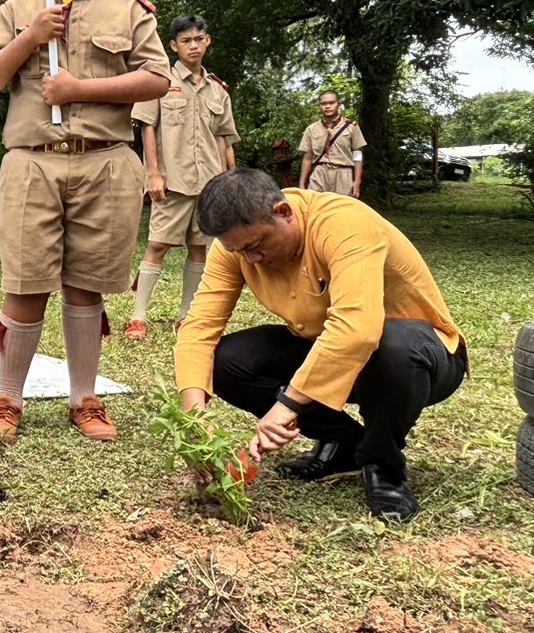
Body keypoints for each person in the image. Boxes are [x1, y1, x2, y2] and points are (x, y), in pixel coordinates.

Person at [0, 0, 170, 442]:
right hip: (32, 161)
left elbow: (157, 79)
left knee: (86, 288)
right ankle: (7, 398)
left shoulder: (128, 8)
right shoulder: (18, 7)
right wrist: (31, 36)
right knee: (25, 282)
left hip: (104, 160)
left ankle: (84, 398)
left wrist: (80, 87)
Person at [174, 169, 466, 522]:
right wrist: (194, 421)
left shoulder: (345, 223)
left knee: (391, 344)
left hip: (418, 358)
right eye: (239, 250)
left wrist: (285, 407)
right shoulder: (235, 248)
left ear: (283, 212)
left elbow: (357, 329)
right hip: (329, 354)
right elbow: (199, 327)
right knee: (228, 361)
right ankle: (344, 444)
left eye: (256, 246)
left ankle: (381, 463)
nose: (250, 259)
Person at [125, 15, 239, 340]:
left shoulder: (218, 91)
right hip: (172, 181)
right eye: (185, 40)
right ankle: (137, 317)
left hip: (209, 185)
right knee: (158, 244)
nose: (193, 45)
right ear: (173, 46)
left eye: (198, 39)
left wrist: (230, 182)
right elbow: (147, 127)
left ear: (208, 41)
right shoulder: (159, 82)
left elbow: (223, 139)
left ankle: (185, 316)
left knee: (199, 247)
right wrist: (153, 173)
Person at [298, 90, 365, 197]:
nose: (327, 106)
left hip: (343, 173)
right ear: (319, 106)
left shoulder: (351, 126)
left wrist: (357, 181)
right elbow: (307, 157)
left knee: (342, 209)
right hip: (319, 173)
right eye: (324, 104)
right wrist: (302, 184)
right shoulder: (311, 129)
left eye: (331, 103)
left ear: (339, 104)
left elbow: (357, 155)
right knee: (316, 207)